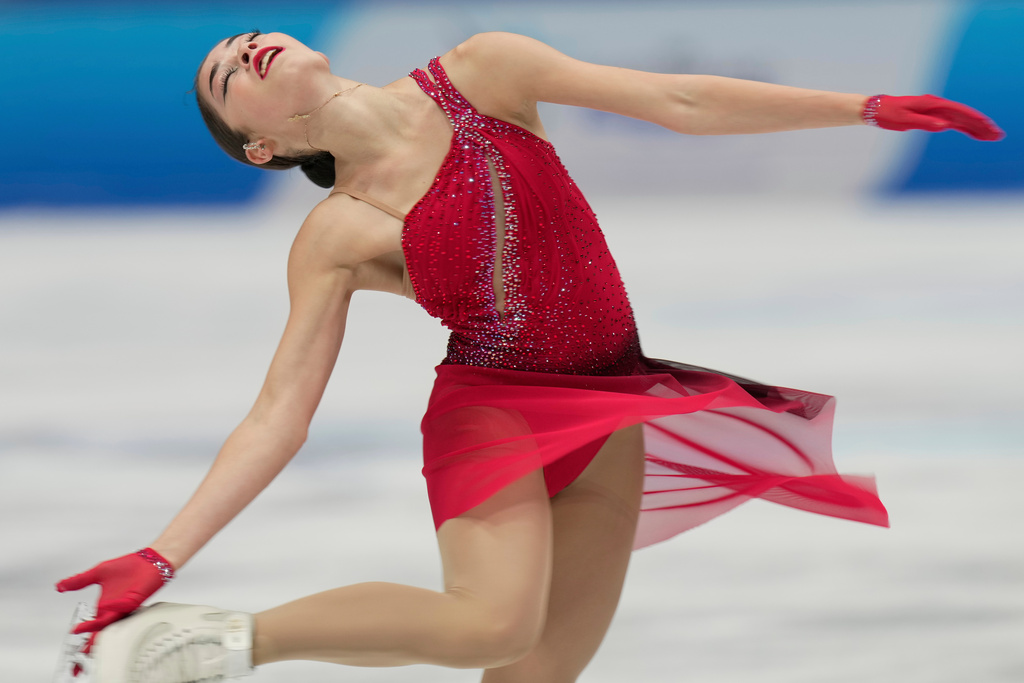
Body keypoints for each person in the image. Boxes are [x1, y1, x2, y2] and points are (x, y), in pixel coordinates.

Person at [55, 30, 1002, 683]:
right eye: (226, 76)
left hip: (612, 404)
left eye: (242, 41)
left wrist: (860, 105)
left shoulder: (479, 71)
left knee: (541, 672)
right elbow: (279, 412)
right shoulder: (338, 231)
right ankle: (212, 643)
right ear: (260, 146)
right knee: (490, 619)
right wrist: (161, 553)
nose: (241, 49)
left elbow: (675, 97)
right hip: (493, 413)